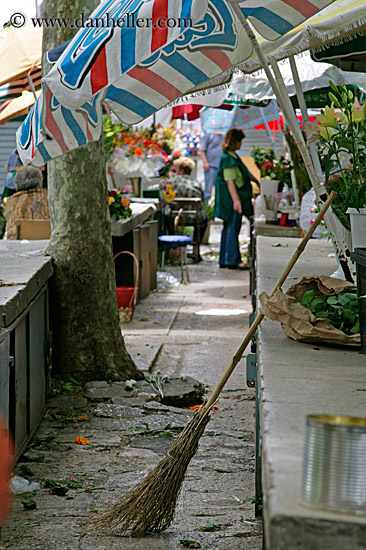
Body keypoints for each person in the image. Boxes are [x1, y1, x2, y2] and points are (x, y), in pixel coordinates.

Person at [214, 128, 260, 270]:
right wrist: (236, 201)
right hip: (231, 199)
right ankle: (233, 260)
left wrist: (257, 181)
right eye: (240, 141)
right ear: (235, 141)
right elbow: (230, 181)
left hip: (235, 198)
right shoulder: (228, 159)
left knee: (229, 227)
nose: (241, 144)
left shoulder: (233, 156)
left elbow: (244, 171)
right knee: (232, 228)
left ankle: (225, 259)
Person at [167, 157, 208, 262]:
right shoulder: (196, 183)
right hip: (194, 218)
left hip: (174, 218)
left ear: (180, 170)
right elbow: (202, 202)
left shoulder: (170, 182)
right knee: (205, 219)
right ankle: (196, 249)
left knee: (164, 217)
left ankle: (170, 250)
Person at [3, 166, 49, 240]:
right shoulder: (48, 198)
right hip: (44, 242)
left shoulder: (11, 202)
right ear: (39, 183)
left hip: (17, 244)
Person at [199, 132, 224, 203]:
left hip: (220, 167)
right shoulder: (209, 134)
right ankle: (206, 209)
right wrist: (205, 163)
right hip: (211, 166)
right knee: (208, 190)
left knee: (219, 191)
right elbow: (202, 150)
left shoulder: (223, 135)